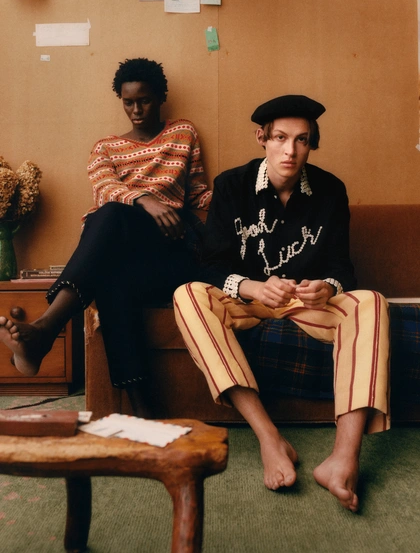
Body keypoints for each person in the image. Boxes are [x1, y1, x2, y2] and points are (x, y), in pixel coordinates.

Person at [173, 94, 390, 512]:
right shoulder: (231, 186)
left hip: (304, 306)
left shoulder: (331, 190)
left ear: (311, 144)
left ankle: (343, 458)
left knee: (372, 302)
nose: (290, 151)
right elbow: (209, 266)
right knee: (186, 294)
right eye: (280, 138)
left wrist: (328, 286)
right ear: (262, 138)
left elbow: (342, 268)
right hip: (245, 304)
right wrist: (252, 287)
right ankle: (270, 438)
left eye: (302, 140)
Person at [0, 57, 212, 416]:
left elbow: (198, 194)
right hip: (123, 246)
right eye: (128, 102)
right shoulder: (105, 148)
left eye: (144, 101)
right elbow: (105, 190)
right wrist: (145, 200)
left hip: (170, 248)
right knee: (112, 270)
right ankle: (145, 414)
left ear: (160, 97)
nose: (136, 110)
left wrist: (244, 199)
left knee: (111, 220)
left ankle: (46, 329)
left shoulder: (182, 133)